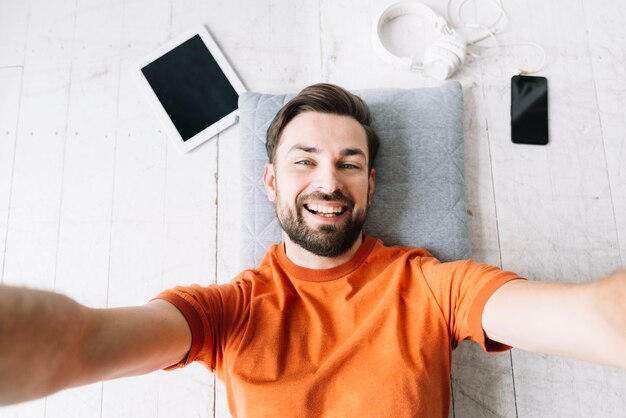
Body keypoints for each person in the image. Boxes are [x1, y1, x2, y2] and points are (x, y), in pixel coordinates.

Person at [0, 84, 624, 416]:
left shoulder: (429, 285)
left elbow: (595, 316)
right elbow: (81, 342)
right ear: (271, 181)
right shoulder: (230, 311)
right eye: (305, 161)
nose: (328, 182)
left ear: (370, 184)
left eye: (348, 164)